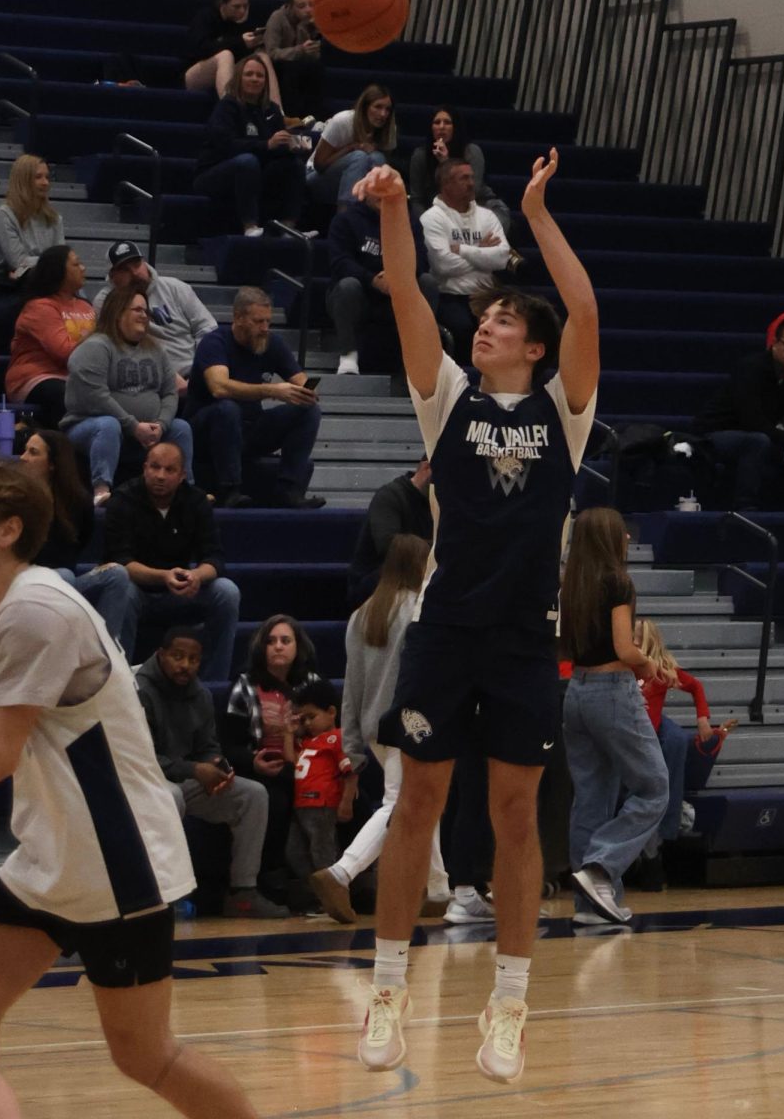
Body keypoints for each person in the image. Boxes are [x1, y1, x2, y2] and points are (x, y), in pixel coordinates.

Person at [350, 149, 598, 1084]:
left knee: (515, 817)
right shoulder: (446, 400)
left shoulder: (565, 414)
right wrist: (396, 204)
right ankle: (387, 987)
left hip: (524, 637)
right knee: (415, 801)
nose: (485, 325)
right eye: (485, 316)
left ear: (532, 344)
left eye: (500, 318)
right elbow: (408, 293)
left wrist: (534, 212)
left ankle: (511, 1002)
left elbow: (588, 311)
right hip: (447, 630)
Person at [0, 459, 258, 1119]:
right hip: (55, 855)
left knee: (147, 1055)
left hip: (115, 859)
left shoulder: (34, 610)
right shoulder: (12, 606)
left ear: (7, 530)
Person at [311, 535, 450, 925]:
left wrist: (353, 746)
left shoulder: (362, 615)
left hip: (375, 730)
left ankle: (439, 889)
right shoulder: (420, 610)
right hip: (411, 725)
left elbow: (351, 687)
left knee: (423, 801)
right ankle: (342, 873)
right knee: (401, 805)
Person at [560, 507, 668, 926]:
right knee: (655, 788)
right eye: (622, 533)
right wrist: (648, 665)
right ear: (610, 538)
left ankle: (592, 907)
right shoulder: (618, 582)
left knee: (591, 799)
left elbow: (565, 649)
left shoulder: (571, 584)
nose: (627, 539)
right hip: (613, 693)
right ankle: (601, 868)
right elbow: (625, 649)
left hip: (577, 692)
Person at [136, 626, 287, 918]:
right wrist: (196, 769)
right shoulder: (139, 692)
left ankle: (243, 894)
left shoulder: (201, 694)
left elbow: (208, 746)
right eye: (178, 657)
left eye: (193, 659)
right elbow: (142, 759)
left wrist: (218, 766)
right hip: (147, 781)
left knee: (253, 794)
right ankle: (164, 897)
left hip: (186, 777)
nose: (185, 665)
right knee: (172, 798)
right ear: (161, 655)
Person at [104, 442, 240, 679]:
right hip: (138, 592)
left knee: (227, 592)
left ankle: (214, 684)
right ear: (144, 468)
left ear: (182, 475)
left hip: (181, 591)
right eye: (155, 467)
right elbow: (121, 561)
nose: (160, 476)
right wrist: (163, 576)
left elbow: (215, 557)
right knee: (122, 591)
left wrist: (197, 575)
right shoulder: (123, 499)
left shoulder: (196, 501)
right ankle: (118, 681)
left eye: (169, 470)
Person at [185, 286, 324, 509]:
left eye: (268, 321)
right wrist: (272, 390)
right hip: (208, 430)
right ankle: (230, 489)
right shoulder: (215, 342)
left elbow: (298, 378)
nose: (265, 328)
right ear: (238, 318)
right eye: (258, 322)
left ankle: (289, 488)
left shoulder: (271, 343)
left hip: (249, 428)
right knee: (228, 408)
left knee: (308, 410)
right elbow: (218, 387)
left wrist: (305, 391)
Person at [61, 285, 194, 507]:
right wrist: (133, 425)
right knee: (108, 425)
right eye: (137, 310)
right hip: (87, 428)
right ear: (117, 312)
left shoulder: (155, 349)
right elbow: (95, 396)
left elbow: (170, 392)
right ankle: (101, 491)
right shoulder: (96, 347)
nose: (144, 315)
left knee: (181, 428)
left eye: (145, 310)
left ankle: (185, 491)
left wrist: (161, 424)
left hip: (144, 432)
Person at [634, 618, 736, 888]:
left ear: (648, 641)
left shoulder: (661, 670)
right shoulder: (624, 666)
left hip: (651, 741)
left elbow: (695, 686)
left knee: (658, 788)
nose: (631, 643)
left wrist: (703, 718)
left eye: (636, 638)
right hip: (630, 740)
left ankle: (662, 838)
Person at [222, 614, 318, 902]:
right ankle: (273, 878)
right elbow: (229, 744)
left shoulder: (313, 684)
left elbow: (330, 731)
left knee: (354, 797)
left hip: (310, 765)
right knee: (275, 796)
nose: (278, 646)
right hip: (260, 767)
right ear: (261, 648)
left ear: (297, 647)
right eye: (271, 641)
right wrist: (253, 762)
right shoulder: (244, 686)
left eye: (285, 641)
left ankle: (354, 876)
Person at [19, 428, 129, 639]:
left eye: (33, 453)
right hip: (22, 583)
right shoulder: (16, 500)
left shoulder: (78, 502)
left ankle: (106, 656)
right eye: (25, 451)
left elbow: (80, 542)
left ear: (52, 464)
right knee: (64, 576)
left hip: (64, 583)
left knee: (117, 575)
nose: (23, 458)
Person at [193, 55, 306, 239]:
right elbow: (226, 146)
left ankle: (288, 227)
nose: (254, 79)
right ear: (239, 78)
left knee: (294, 165)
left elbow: (274, 148)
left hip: (255, 171)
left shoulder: (272, 110)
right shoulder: (227, 106)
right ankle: (250, 226)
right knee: (247, 161)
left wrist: (290, 145)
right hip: (214, 172)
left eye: (260, 76)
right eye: (249, 74)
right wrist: (266, 144)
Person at [327, 193, 438, 376]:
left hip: (398, 292)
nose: (383, 195)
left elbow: (421, 259)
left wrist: (398, 278)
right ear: (365, 193)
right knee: (348, 285)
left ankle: (417, 360)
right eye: (377, 190)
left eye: (387, 190)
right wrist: (371, 279)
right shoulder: (346, 220)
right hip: (359, 294)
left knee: (428, 282)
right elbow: (340, 262)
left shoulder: (409, 221)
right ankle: (348, 356)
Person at [693, 313, 784, 509]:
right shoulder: (751, 368)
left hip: (752, 434)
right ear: (775, 343)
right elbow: (752, 420)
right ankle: (746, 509)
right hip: (712, 435)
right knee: (758, 441)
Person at [93, 241, 217, 392]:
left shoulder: (175, 288)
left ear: (144, 262)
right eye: (125, 269)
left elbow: (206, 328)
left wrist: (203, 369)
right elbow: (116, 347)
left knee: (226, 407)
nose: (135, 273)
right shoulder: (106, 301)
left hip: (193, 372)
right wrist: (169, 375)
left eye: (137, 264)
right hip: (146, 379)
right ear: (113, 277)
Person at [420, 159, 511, 364]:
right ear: (446, 185)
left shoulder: (487, 216)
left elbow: (502, 258)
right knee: (462, 328)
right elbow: (442, 265)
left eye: (472, 178)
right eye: (464, 178)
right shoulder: (431, 218)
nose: (471, 183)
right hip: (451, 295)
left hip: (487, 294)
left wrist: (462, 250)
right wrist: (482, 252)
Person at [5, 245, 94, 429]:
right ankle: (62, 449)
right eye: (76, 264)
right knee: (65, 393)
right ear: (58, 271)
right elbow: (65, 353)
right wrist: (97, 334)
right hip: (37, 377)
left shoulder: (86, 307)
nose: (83, 268)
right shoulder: (40, 307)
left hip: (75, 378)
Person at [285, 678, 357, 894]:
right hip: (301, 805)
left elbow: (351, 772)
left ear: (331, 712)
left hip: (323, 805)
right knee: (294, 852)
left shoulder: (337, 738)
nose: (307, 723)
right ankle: (317, 893)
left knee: (322, 852)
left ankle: (335, 894)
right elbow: (291, 762)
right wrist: (288, 733)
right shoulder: (306, 742)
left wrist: (346, 802)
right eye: (303, 718)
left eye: (312, 717)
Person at [347, 455, 432, 608]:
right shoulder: (390, 496)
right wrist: (443, 546)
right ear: (426, 468)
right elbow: (388, 546)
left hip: (418, 578)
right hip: (379, 581)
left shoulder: (444, 502)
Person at [409, 106, 511, 233]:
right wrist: (428, 223)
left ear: (455, 127)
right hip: (439, 213)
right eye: (437, 122)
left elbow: (470, 193)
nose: (441, 127)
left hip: (479, 207)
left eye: (447, 122)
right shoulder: (420, 156)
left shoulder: (471, 151)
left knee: (494, 223)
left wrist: (446, 163)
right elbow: (417, 199)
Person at [183, 0, 281, 105]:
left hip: (229, 71)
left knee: (262, 57)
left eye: (245, 6)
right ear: (222, 4)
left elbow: (242, 54)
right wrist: (240, 42)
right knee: (225, 55)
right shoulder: (205, 17)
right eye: (236, 7)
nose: (242, 11)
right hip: (196, 72)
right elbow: (199, 49)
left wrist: (254, 43)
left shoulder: (243, 22)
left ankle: (278, 112)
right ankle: (229, 108)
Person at [306, 84, 397, 208]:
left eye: (387, 109)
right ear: (365, 107)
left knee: (378, 157)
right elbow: (319, 165)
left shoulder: (390, 129)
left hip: (357, 183)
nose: (383, 114)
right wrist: (351, 148)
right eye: (378, 107)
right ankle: (347, 217)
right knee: (359, 156)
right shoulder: (342, 120)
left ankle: (376, 211)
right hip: (315, 178)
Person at [0, 155, 65, 281]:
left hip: (47, 280)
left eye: (47, 177)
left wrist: (52, 262)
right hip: (10, 286)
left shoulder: (55, 218)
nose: (45, 183)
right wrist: (52, 261)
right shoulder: (4, 214)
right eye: (38, 177)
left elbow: (62, 259)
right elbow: (19, 263)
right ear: (23, 181)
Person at [263, 0, 324, 119]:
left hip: (300, 65)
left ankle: (316, 117)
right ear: (290, 7)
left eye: (311, 5)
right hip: (277, 67)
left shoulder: (310, 21)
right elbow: (271, 53)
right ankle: (292, 116)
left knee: (316, 67)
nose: (308, 10)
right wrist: (300, 50)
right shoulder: (277, 18)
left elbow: (315, 55)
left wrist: (317, 32)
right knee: (293, 69)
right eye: (301, 6)